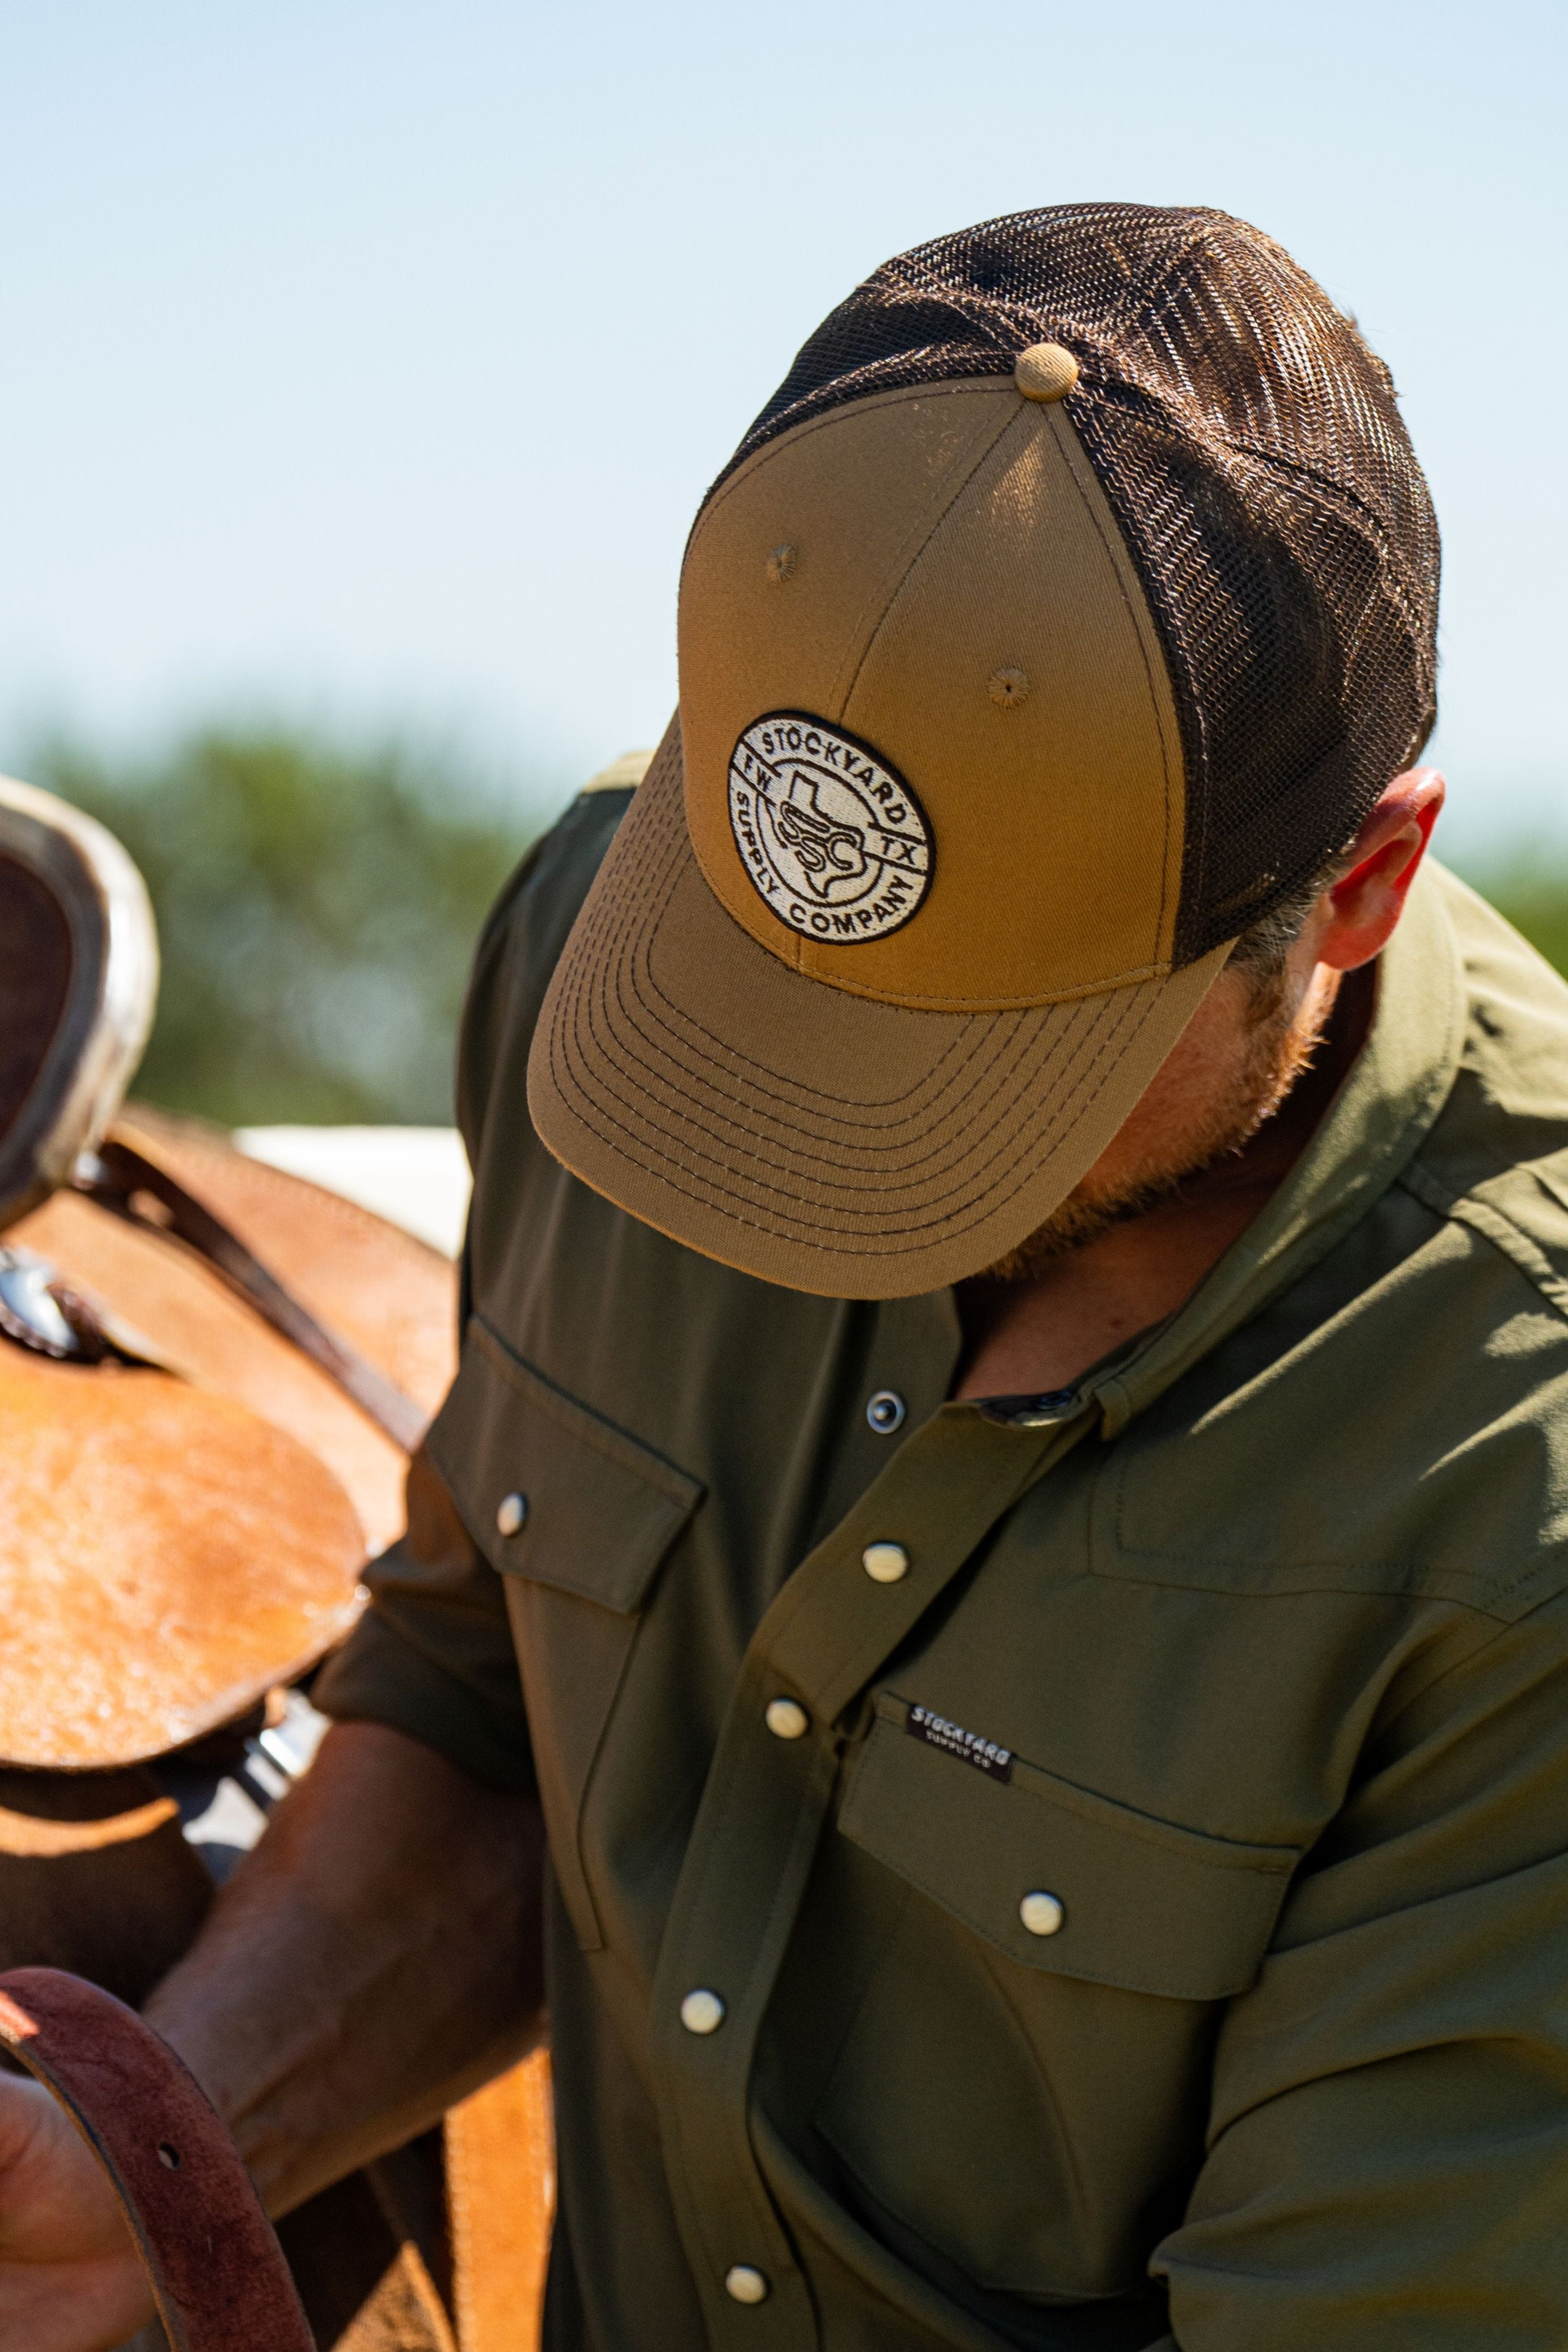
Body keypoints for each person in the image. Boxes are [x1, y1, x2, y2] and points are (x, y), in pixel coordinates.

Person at [5, 201, 1568, 2352]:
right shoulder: (578, 947)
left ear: (1366, 878)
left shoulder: (1518, 1492)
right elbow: (494, 1718)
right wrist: (167, 2150)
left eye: (988, 1055)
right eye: (761, 986)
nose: (808, 1171)